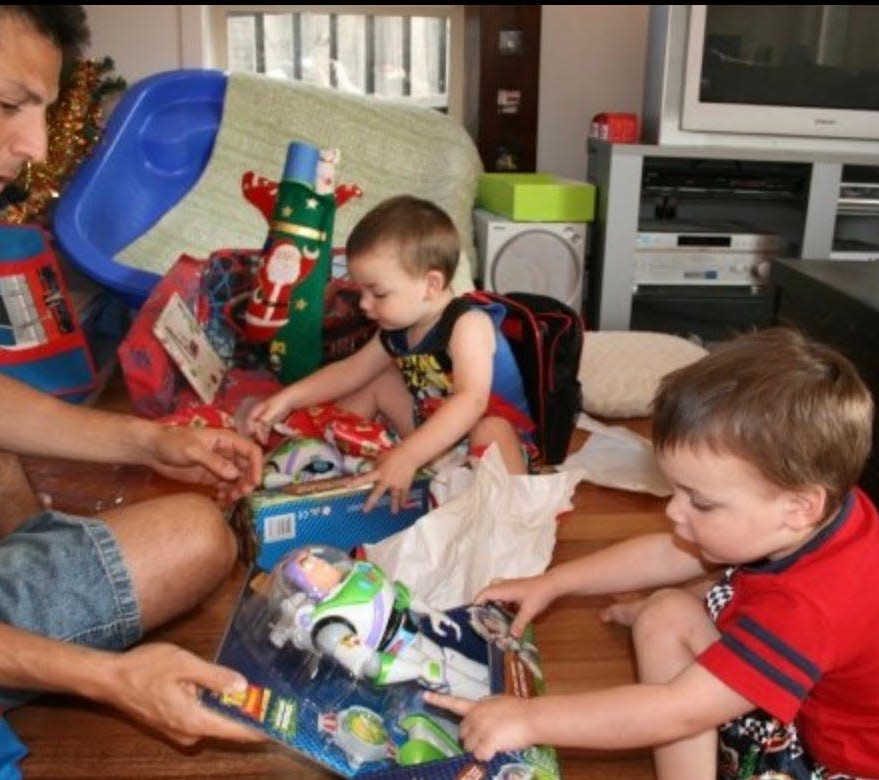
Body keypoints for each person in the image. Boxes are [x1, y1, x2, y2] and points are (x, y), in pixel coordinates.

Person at [0, 5, 266, 747]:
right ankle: (15, 586)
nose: (35, 146)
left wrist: (148, 442)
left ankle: (17, 567)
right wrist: (105, 677)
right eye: (9, 105)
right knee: (195, 537)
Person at [425, 327, 879, 780]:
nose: (673, 510)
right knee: (665, 611)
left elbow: (676, 711)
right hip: (813, 694)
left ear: (800, 507)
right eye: (676, 489)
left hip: (836, 763)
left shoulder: (807, 609)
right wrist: (553, 583)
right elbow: (673, 553)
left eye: (700, 501)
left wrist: (529, 719)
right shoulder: (815, 507)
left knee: (676, 627)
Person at [245, 195, 536, 512]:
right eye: (362, 292)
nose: (365, 305)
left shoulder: (468, 324)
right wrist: (288, 398)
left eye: (378, 293)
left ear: (431, 285)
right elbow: (350, 370)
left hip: (491, 440)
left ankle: (509, 515)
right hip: (435, 438)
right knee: (376, 380)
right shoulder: (396, 328)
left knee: (491, 429)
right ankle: (324, 463)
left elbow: (472, 401)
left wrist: (408, 454)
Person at [268, 545, 490, 699]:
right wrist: (418, 670)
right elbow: (371, 665)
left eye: (314, 557)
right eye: (310, 564)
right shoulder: (329, 625)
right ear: (307, 584)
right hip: (396, 655)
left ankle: (496, 681)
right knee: (447, 677)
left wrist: (430, 611)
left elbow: (398, 593)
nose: (321, 563)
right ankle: (488, 700)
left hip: (409, 633)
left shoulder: (357, 574)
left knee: (450, 659)